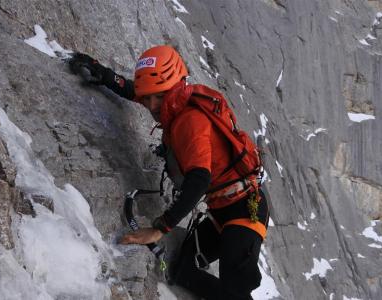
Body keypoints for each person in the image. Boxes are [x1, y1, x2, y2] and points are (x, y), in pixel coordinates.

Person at [69, 45, 270, 300]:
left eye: (159, 97)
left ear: (173, 89)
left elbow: (199, 179)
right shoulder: (174, 101)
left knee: (235, 288)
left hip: (245, 211)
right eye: (148, 98)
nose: (152, 105)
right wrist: (105, 75)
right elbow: (137, 91)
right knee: (183, 271)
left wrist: (159, 229)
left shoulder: (190, 121)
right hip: (221, 212)